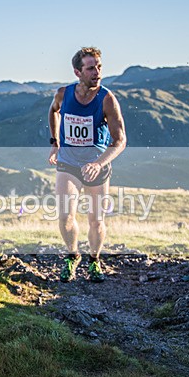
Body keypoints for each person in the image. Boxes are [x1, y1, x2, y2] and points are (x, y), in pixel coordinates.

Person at [47, 47, 126, 282]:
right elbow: (53, 111)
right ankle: (72, 256)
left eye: (99, 67)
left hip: (97, 166)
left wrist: (98, 164)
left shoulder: (107, 100)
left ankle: (94, 261)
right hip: (68, 163)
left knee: (96, 219)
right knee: (65, 215)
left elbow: (120, 141)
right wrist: (55, 142)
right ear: (77, 72)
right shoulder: (64, 94)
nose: (97, 72)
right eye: (91, 68)